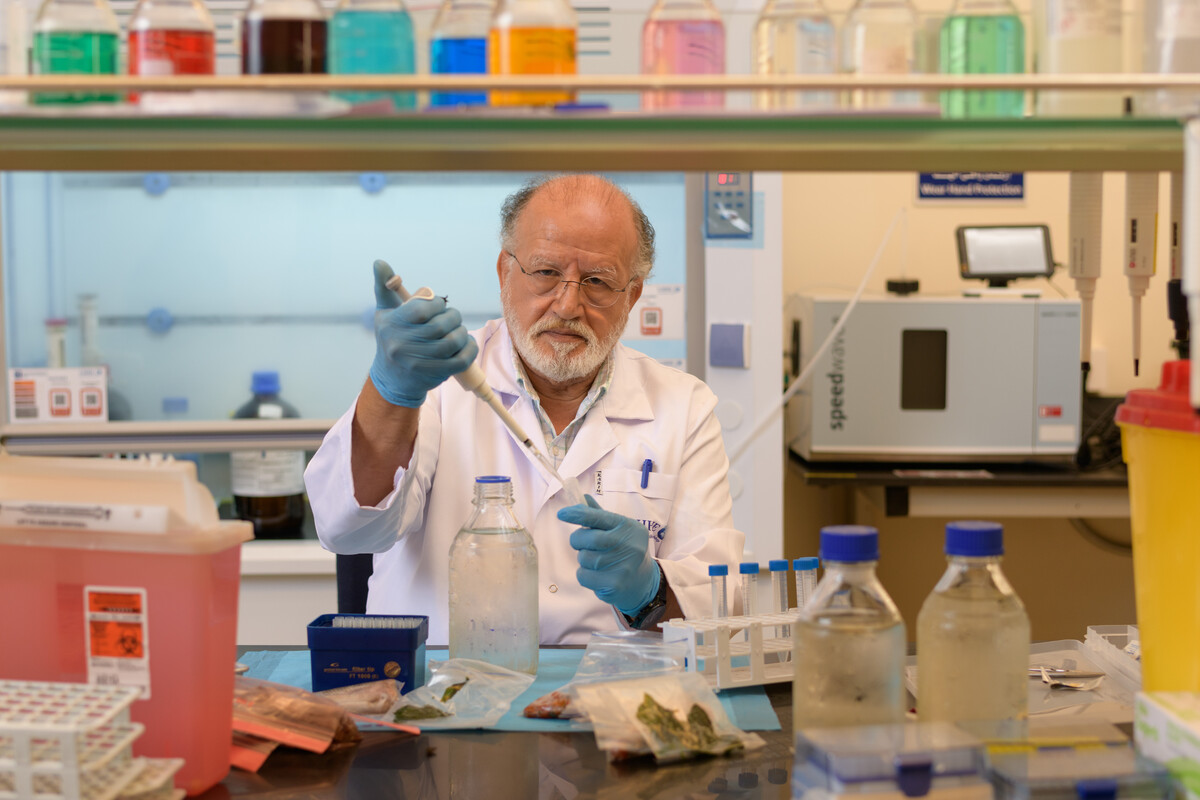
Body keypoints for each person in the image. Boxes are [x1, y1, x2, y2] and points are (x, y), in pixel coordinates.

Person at [305, 173, 744, 644]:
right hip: (439, 688)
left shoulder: (684, 406)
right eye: (546, 272)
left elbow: (718, 603)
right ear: (504, 272)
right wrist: (391, 391)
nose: (568, 304)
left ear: (632, 295)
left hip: (609, 693)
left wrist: (650, 591)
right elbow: (345, 530)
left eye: (597, 281)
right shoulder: (436, 380)